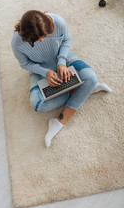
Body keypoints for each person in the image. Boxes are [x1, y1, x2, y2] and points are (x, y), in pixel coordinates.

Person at [11, 10, 112, 148]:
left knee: (91, 78)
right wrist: (45, 72)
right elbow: (25, 64)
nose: (41, 40)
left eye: (44, 36)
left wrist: (62, 62)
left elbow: (66, 40)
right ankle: (82, 90)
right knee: (37, 105)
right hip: (39, 69)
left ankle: (58, 122)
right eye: (36, 39)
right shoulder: (16, 42)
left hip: (62, 58)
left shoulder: (58, 21)